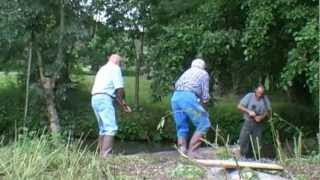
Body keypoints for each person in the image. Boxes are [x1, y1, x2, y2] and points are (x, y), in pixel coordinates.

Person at [91, 54, 132, 158]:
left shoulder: (102, 69)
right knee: (110, 128)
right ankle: (105, 156)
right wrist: (123, 105)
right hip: (105, 98)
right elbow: (120, 89)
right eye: (121, 63)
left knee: (102, 128)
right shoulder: (115, 68)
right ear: (118, 62)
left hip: (95, 98)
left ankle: (99, 155)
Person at [171, 58, 211, 158]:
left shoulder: (186, 72)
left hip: (175, 97)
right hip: (187, 97)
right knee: (204, 123)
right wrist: (205, 111)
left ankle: (182, 150)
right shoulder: (203, 73)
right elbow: (205, 97)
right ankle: (193, 152)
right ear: (203, 66)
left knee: (181, 125)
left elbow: (175, 86)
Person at [237, 85, 271, 159]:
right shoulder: (249, 96)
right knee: (243, 139)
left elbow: (268, 111)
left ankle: (256, 157)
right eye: (258, 93)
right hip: (248, 121)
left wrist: (261, 117)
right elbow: (239, 106)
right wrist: (249, 111)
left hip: (259, 123)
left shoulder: (265, 99)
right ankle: (243, 156)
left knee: (257, 142)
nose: (260, 95)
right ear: (255, 90)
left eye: (261, 93)